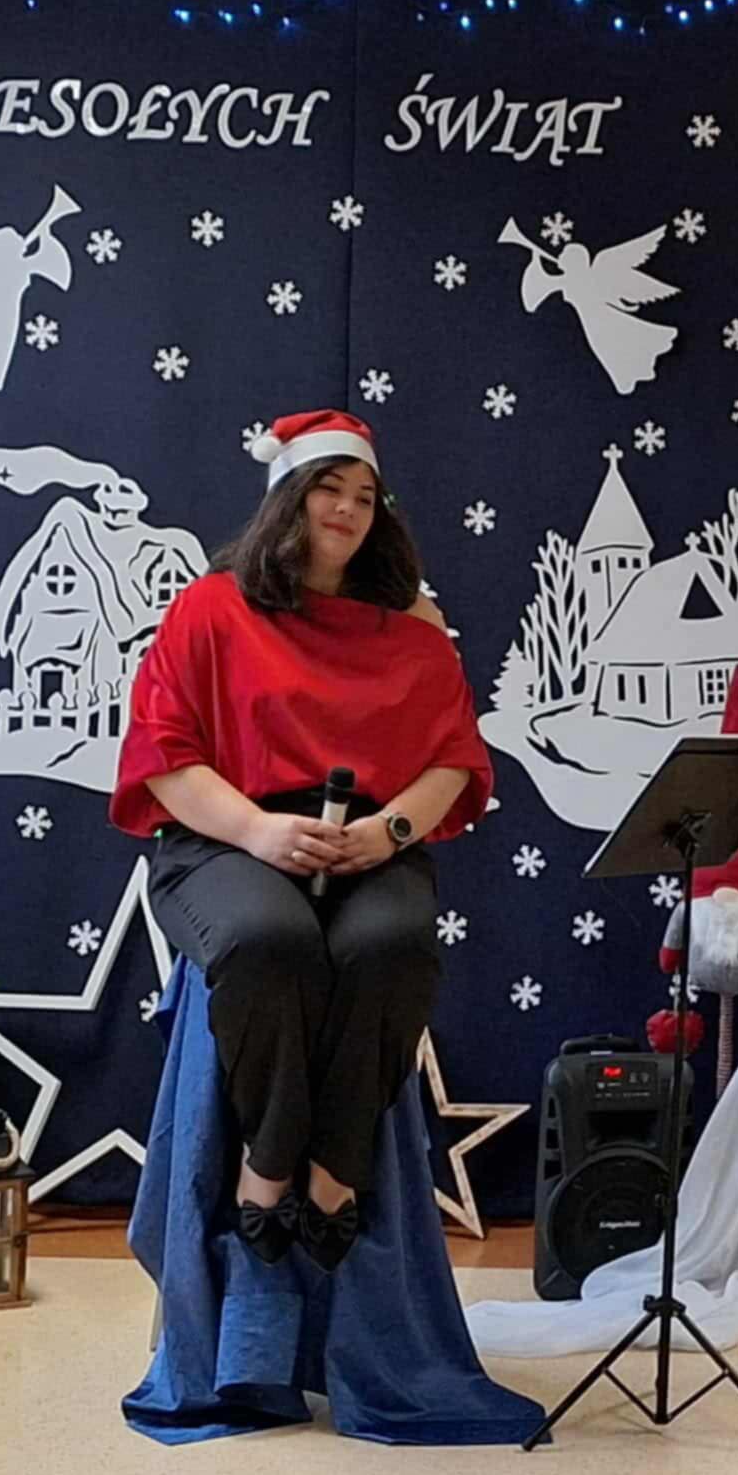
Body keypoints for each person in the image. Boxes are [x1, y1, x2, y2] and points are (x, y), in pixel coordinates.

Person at [109, 408, 490, 1273]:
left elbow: (454, 758)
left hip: (367, 841)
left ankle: (335, 1168)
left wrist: (389, 831)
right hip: (224, 836)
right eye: (329, 488)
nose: (348, 509)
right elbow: (165, 757)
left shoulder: (412, 621)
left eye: (365, 495)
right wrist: (258, 830)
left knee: (392, 945)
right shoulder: (211, 608)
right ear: (288, 495)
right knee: (266, 939)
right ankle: (270, 1158)